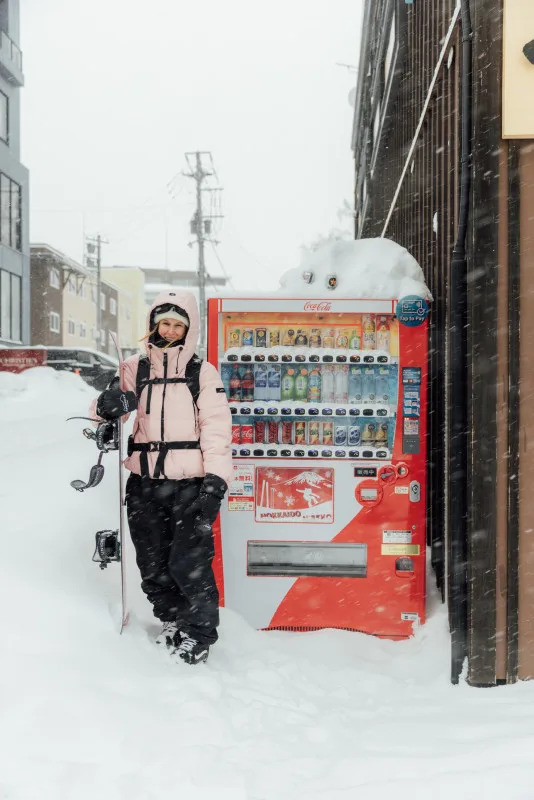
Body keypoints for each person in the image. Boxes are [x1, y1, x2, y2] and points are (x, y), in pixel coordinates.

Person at [93, 289, 232, 665]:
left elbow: (217, 429)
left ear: (189, 330)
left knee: (189, 562)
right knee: (152, 564)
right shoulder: (134, 368)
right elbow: (102, 415)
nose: (169, 331)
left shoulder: (201, 372)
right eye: (164, 323)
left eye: (178, 325)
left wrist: (215, 482)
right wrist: (107, 404)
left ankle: (200, 633)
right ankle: (173, 620)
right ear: (153, 324)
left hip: (190, 485)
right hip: (144, 485)